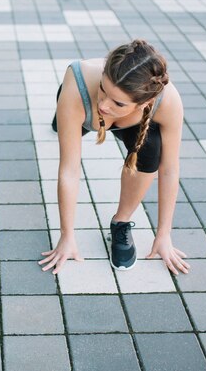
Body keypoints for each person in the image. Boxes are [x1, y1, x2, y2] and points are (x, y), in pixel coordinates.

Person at [39, 39, 190, 275]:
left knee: (152, 148)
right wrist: (66, 236)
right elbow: (69, 169)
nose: (104, 105)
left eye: (117, 102)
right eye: (103, 89)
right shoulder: (79, 82)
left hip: (133, 123)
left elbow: (169, 170)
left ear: (146, 102)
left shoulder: (168, 101)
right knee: (67, 125)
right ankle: (62, 119)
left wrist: (164, 234)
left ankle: (120, 222)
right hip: (78, 105)